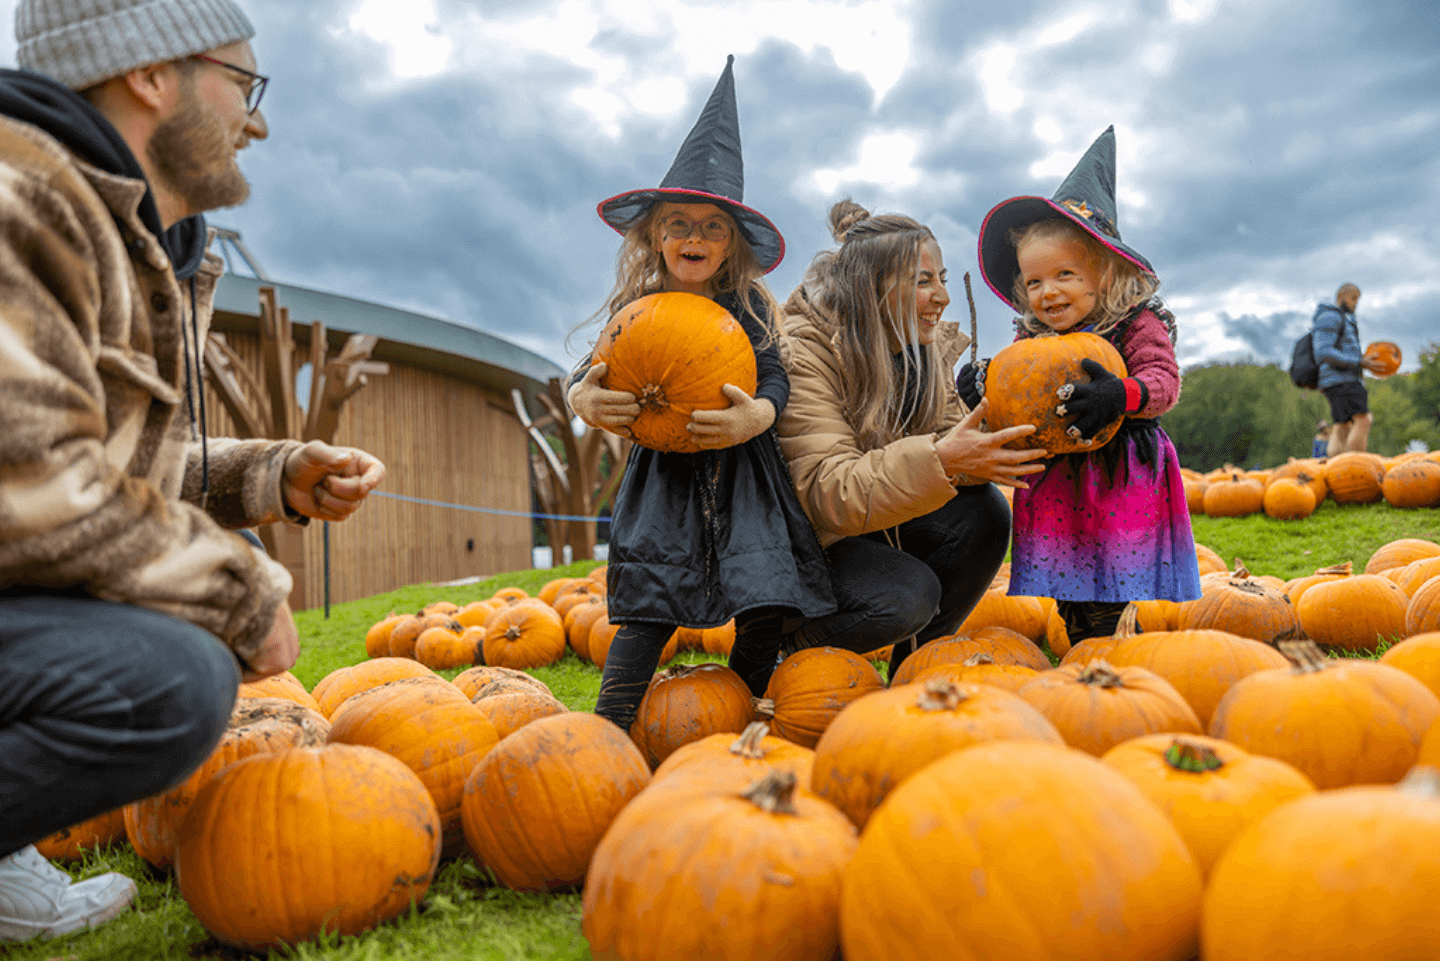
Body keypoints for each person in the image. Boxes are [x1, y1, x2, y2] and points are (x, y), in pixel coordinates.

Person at [0, 0, 385, 942]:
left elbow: (101, 460)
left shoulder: (136, 239)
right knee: (169, 678)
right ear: (150, 74)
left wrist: (272, 474)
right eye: (244, 84)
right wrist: (244, 592)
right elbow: (31, 483)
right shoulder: (23, 206)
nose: (257, 120)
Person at [567, 57, 836, 732]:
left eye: (712, 226)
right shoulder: (638, 306)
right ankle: (610, 727)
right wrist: (583, 399)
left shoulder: (746, 306)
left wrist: (760, 413)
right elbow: (593, 369)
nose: (694, 236)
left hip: (745, 472)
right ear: (654, 235)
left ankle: (742, 711)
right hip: (664, 474)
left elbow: (772, 372)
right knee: (649, 600)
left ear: (732, 243)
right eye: (679, 223)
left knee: (764, 596)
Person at [775, 200, 1046, 681]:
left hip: (870, 521)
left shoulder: (922, 347)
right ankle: (784, 648)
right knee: (903, 597)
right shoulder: (805, 351)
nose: (942, 296)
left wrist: (1016, 414)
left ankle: (916, 674)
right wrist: (941, 460)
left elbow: (951, 436)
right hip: (802, 542)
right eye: (924, 282)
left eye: (941, 278)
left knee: (983, 514)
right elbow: (825, 489)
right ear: (871, 289)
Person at [958, 126, 1202, 644]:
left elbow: (1162, 383)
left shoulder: (1137, 323)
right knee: (1069, 580)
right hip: (1061, 476)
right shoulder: (1031, 339)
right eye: (1035, 282)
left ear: (1106, 273)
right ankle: (1084, 638)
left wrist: (1120, 394)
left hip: (1119, 471)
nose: (1048, 292)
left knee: (1112, 579)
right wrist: (981, 386)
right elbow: (1016, 395)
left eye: (1064, 274)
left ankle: (1109, 648)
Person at [1313, 283, 1382, 456]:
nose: (1355, 303)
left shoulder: (1337, 318)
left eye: (1357, 300)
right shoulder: (1332, 316)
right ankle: (1357, 466)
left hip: (1334, 380)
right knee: (1363, 420)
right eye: (1352, 298)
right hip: (1343, 379)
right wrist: (1359, 362)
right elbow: (1323, 352)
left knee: (1342, 426)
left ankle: (1336, 469)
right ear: (1341, 298)